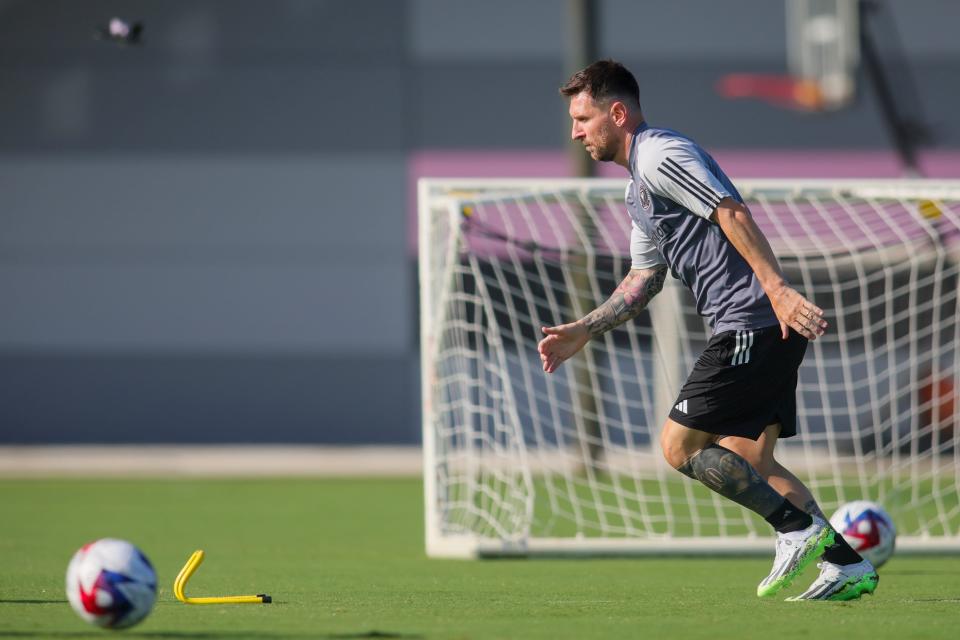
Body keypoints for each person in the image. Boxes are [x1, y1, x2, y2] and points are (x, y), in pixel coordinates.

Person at [539, 59, 879, 601]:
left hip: (751, 320)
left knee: (678, 446)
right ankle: (845, 565)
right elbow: (644, 278)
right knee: (753, 459)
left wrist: (778, 288)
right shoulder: (637, 191)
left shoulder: (660, 154)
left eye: (583, 118)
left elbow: (731, 212)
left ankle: (798, 530)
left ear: (618, 113)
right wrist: (584, 328)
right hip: (762, 325)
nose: (576, 131)